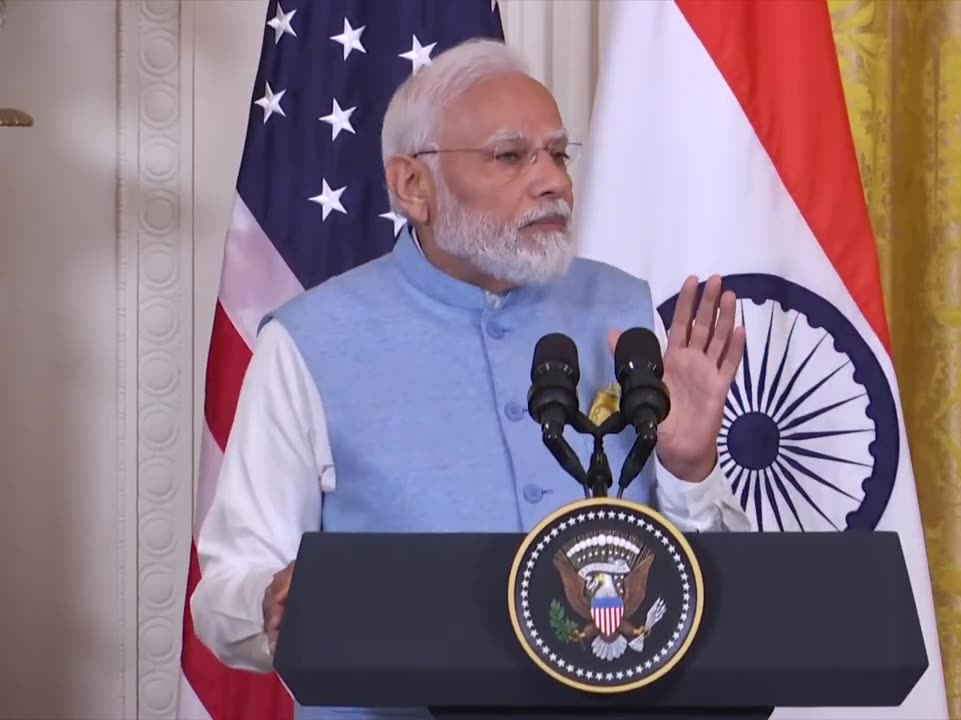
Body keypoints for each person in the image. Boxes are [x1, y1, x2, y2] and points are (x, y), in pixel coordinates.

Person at [189, 38, 752, 720]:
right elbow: (227, 587)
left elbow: (706, 592)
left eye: (557, 154)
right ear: (411, 186)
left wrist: (690, 467)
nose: (553, 182)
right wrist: (276, 601)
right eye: (511, 156)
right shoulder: (308, 341)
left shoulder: (626, 313)